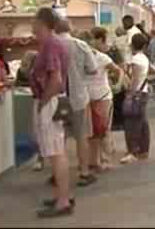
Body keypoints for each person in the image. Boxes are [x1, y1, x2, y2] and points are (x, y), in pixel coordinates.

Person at [31, 8, 73, 218]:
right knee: (57, 151)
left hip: (50, 101)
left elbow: (55, 80)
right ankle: (61, 196)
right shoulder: (52, 44)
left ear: (42, 22)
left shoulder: (51, 45)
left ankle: (63, 201)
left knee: (56, 153)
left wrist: (43, 103)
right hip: (52, 100)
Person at [55, 20, 98, 187]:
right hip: (78, 97)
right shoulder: (80, 45)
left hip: (56, 98)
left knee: (59, 137)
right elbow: (93, 69)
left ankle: (58, 174)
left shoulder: (50, 46)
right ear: (70, 29)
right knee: (81, 136)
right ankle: (84, 172)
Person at [87, 27, 123, 173]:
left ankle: (105, 160)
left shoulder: (103, 58)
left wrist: (117, 85)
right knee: (92, 132)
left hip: (103, 97)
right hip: (88, 98)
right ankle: (94, 161)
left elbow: (118, 70)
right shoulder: (82, 58)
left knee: (103, 131)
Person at [120, 33, 155, 164]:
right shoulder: (144, 58)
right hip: (143, 93)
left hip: (136, 94)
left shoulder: (136, 59)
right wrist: (146, 80)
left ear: (132, 44)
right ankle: (143, 150)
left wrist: (130, 94)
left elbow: (135, 79)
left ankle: (133, 151)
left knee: (132, 123)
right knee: (142, 122)